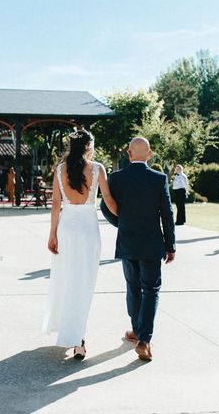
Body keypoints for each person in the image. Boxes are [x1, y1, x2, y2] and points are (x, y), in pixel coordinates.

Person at [100, 137, 176, 361]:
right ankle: (143, 339)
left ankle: (137, 330)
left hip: (127, 241)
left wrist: (121, 224)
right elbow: (167, 214)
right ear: (149, 154)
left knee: (133, 287)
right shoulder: (159, 178)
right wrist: (170, 245)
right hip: (152, 243)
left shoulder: (117, 178)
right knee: (150, 289)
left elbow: (106, 206)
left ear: (129, 153)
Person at [43, 130, 117, 360]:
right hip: (87, 228)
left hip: (66, 227)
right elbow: (109, 201)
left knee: (66, 280)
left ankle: (70, 330)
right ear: (88, 146)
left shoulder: (59, 170)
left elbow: (56, 204)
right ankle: (78, 338)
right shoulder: (97, 169)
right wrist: (125, 220)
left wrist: (52, 234)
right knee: (83, 282)